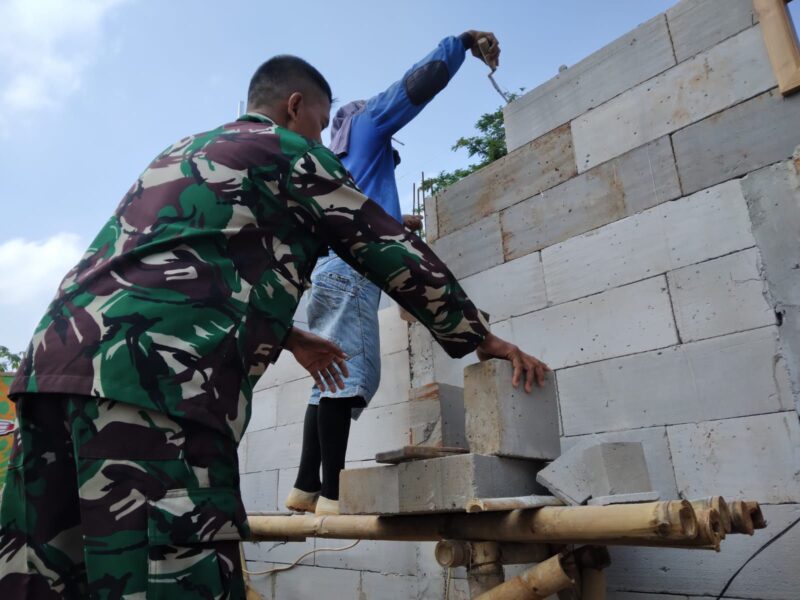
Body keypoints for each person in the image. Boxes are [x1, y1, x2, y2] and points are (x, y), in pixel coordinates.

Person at [0, 54, 548, 599]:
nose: (323, 138)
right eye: (319, 122)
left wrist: (287, 334)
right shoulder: (289, 151)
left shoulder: (181, 152)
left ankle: (312, 483)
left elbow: (180, 263)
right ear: (295, 107)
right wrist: (479, 337)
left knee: (47, 576)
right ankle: (318, 484)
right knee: (172, 578)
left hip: (49, 374)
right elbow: (382, 243)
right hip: (152, 387)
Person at [287, 30, 502, 516]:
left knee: (325, 379)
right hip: (350, 271)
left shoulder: (330, 160)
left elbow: (354, 209)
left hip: (323, 275)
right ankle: (331, 495)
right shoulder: (367, 122)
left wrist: (395, 218)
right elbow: (413, 87)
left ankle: (305, 485)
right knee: (348, 374)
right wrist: (462, 43)